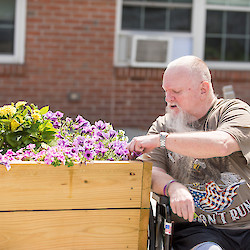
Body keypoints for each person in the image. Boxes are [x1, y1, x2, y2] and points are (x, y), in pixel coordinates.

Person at [127, 55, 250, 250]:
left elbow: (222, 143)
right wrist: (173, 187)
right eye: (166, 92)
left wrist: (162, 140)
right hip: (197, 229)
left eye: (176, 91)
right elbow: (152, 171)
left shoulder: (234, 111)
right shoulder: (163, 125)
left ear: (204, 89)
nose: (168, 99)